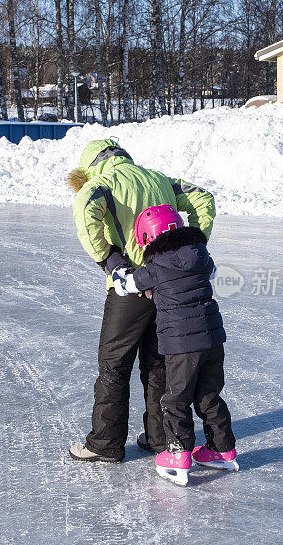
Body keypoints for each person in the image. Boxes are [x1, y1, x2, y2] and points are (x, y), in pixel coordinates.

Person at [67, 139, 216, 463]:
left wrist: (106, 257)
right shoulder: (158, 178)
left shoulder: (102, 183)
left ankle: (105, 443)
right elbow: (203, 199)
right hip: (166, 287)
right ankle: (159, 438)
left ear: (91, 164)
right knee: (157, 363)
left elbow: (84, 207)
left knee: (113, 364)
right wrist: (190, 244)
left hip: (131, 287)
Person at [112, 205, 238, 486]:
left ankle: (179, 454)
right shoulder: (200, 255)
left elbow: (126, 285)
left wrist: (117, 267)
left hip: (181, 344)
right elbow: (210, 271)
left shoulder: (156, 267)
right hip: (213, 339)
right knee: (209, 396)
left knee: (175, 399)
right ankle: (223, 449)